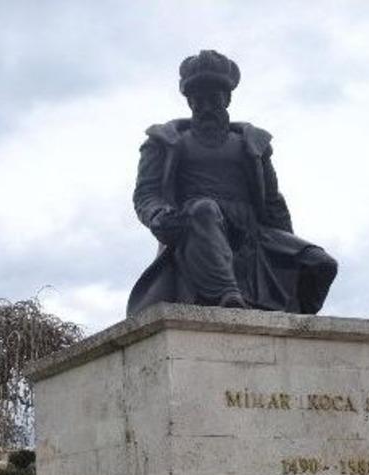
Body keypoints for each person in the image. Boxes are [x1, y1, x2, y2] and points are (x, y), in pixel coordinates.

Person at [127, 50, 337, 316]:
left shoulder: (252, 145)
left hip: (252, 231)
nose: (205, 108)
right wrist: (158, 215)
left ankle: (297, 326)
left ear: (226, 99)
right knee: (203, 209)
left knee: (321, 263)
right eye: (197, 101)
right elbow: (146, 194)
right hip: (197, 226)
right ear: (189, 103)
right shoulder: (165, 142)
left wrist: (288, 246)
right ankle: (228, 295)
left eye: (212, 99)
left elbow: (273, 203)